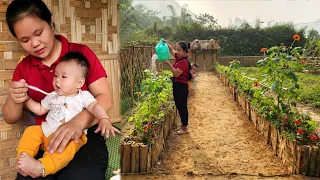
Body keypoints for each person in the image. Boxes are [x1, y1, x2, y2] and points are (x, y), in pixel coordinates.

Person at [2, 0, 115, 179]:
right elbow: (11, 117)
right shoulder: (23, 68)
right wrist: (14, 96)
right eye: (25, 40)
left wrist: (78, 122)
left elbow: (106, 98)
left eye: (39, 33)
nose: (35, 43)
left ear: (51, 24)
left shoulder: (80, 55)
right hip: (46, 133)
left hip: (83, 135)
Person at [16, 52, 120, 178]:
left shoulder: (83, 96)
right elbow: (39, 109)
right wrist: (26, 99)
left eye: (64, 77)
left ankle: (42, 167)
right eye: (55, 75)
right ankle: (23, 158)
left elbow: (95, 107)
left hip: (72, 136)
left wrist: (104, 118)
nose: (57, 80)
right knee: (31, 132)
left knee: (65, 151)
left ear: (79, 83)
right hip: (47, 132)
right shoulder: (52, 96)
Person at [162, 40, 190, 134]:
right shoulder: (179, 58)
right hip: (177, 85)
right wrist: (166, 44)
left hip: (182, 87)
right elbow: (171, 50)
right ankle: (183, 126)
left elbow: (176, 73)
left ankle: (185, 128)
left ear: (185, 51)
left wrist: (169, 64)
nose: (177, 52)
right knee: (178, 105)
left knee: (182, 106)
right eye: (177, 49)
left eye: (180, 50)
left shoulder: (184, 62)